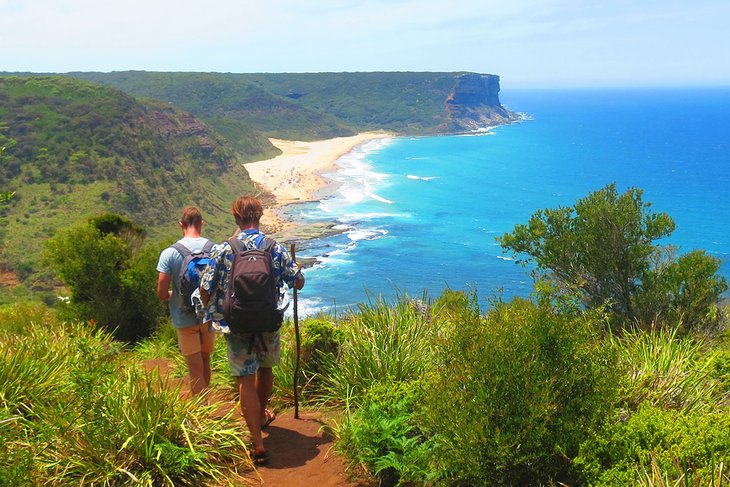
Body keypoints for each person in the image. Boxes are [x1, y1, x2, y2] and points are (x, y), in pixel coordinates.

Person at [199, 195, 304, 466]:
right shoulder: (273, 247)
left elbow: (205, 287)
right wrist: (297, 270)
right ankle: (260, 416)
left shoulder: (225, 249)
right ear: (259, 217)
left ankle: (257, 443)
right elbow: (298, 282)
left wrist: (214, 306)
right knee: (265, 369)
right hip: (268, 320)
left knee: (245, 377)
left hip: (236, 323)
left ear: (236, 218)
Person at [156, 206, 215, 395]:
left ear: (181, 224)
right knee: (206, 362)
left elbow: (162, 290)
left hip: (183, 318)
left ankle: (201, 412)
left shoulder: (169, 253)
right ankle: (208, 408)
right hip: (208, 316)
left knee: (194, 368)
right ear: (201, 224)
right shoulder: (214, 249)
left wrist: (173, 295)